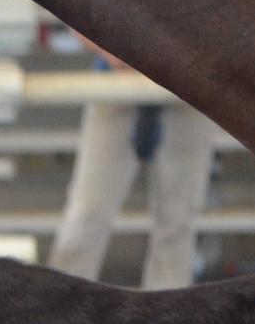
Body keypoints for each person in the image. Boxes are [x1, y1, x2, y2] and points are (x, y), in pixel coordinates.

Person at [48, 44, 220, 289]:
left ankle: (170, 320)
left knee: (177, 222)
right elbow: (74, 13)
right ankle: (61, 310)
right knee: (86, 216)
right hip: (118, 80)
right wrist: (114, 53)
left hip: (187, 86)